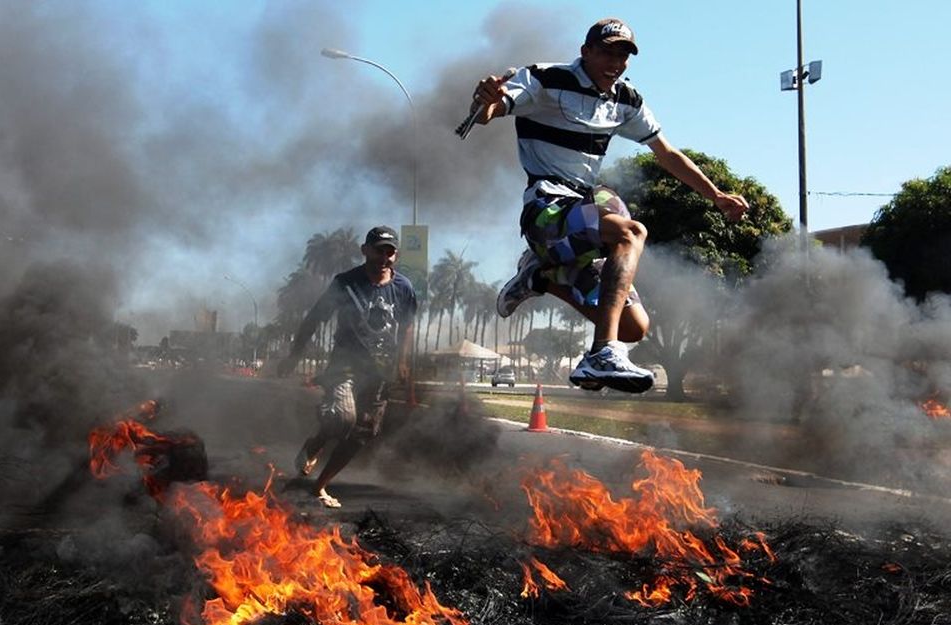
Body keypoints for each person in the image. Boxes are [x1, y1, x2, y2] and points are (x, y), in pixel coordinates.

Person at [469, 17, 750, 393]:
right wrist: (485, 100)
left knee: (635, 327)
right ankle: (602, 352)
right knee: (631, 231)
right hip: (545, 207)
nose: (615, 61)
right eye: (606, 51)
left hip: (583, 205)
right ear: (585, 51)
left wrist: (715, 195)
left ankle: (540, 277)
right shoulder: (545, 78)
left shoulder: (627, 99)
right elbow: (492, 110)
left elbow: (665, 152)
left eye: (623, 54)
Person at [278, 226, 417, 508]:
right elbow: (314, 318)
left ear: (396, 256)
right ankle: (315, 443)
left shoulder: (404, 288)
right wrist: (294, 355)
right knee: (343, 418)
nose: (384, 257)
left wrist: (402, 362)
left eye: (390, 252)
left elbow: (406, 326)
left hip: (380, 371)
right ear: (365, 251)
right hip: (345, 365)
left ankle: (320, 486)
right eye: (379, 250)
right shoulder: (345, 283)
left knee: (364, 433)